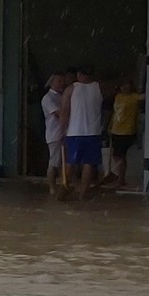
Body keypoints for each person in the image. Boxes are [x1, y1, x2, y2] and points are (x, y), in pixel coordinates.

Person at [62, 66, 104, 199]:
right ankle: (83, 193)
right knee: (88, 163)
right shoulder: (99, 87)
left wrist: (63, 130)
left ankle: (65, 186)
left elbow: (64, 112)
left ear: (79, 74)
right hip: (93, 132)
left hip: (74, 132)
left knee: (71, 162)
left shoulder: (71, 89)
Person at [103, 80, 142, 189]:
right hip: (116, 129)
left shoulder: (135, 97)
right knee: (117, 155)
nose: (124, 87)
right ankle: (119, 176)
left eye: (127, 85)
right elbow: (115, 113)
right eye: (122, 85)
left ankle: (120, 178)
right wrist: (110, 125)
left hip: (127, 131)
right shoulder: (118, 97)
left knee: (119, 155)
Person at [41, 74, 67, 194]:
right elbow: (58, 113)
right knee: (54, 162)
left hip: (64, 132)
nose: (61, 83)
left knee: (63, 162)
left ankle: (64, 185)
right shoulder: (48, 98)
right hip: (55, 134)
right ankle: (52, 187)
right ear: (52, 83)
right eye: (59, 81)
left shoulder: (62, 96)